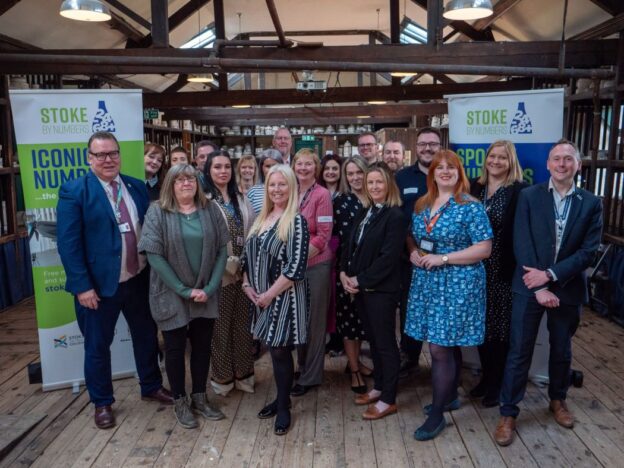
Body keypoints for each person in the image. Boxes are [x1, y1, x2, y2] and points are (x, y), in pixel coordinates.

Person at [57, 131, 172, 430]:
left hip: (138, 279)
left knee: (146, 336)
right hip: (98, 287)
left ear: (120, 155)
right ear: (89, 158)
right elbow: (69, 245)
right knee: (97, 347)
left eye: (113, 153)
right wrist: (82, 286)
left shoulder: (135, 186)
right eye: (100, 154)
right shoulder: (74, 191)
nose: (108, 159)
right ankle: (102, 402)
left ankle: (151, 385)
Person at [494, 139, 603, 447]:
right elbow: (521, 241)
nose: (562, 164)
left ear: (578, 165)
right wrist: (540, 284)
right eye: (556, 158)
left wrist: (551, 275)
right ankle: (508, 412)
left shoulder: (591, 202)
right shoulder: (529, 195)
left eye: (568, 159)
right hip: (528, 284)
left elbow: (588, 252)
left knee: (562, 350)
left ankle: (558, 400)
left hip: (567, 288)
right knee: (519, 350)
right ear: (548, 164)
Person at [405, 150, 492, 441]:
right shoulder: (422, 203)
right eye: (439, 167)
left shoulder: (470, 206)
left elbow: (484, 249)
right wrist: (414, 252)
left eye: (450, 167)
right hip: (427, 282)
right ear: (432, 174)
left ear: (459, 173)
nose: (445, 171)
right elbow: (413, 236)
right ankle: (450, 396)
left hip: (457, 283)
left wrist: (443, 258)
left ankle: (437, 415)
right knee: (446, 341)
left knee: (439, 348)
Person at [138, 163, 228, 429]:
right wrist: (183, 290)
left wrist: (210, 287)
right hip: (170, 292)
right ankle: (180, 400)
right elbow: (154, 255)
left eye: (191, 178)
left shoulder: (211, 209)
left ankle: (200, 397)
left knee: (202, 347)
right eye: (180, 180)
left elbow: (222, 251)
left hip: (205, 292)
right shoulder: (157, 211)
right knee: (175, 349)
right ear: (170, 184)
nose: (186, 183)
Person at [242, 164, 310, 436]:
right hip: (260, 296)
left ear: (291, 188)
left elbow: (295, 268)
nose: (277, 189)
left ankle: (283, 407)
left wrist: (269, 294)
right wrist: (246, 284)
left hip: (284, 296)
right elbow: (248, 256)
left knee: (280, 350)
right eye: (272, 184)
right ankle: (282, 398)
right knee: (272, 348)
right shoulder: (262, 218)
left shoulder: (296, 221)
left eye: (282, 184)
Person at [340, 162, 407, 420]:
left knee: (386, 344)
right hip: (361, 288)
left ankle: (388, 399)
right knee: (374, 342)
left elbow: (388, 259)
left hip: (381, 290)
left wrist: (358, 279)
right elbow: (351, 246)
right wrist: (344, 273)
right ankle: (379, 386)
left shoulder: (395, 216)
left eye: (379, 182)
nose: (374, 186)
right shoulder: (366, 211)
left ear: (389, 184)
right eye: (370, 182)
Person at [469, 140, 528, 407]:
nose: (495, 161)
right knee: (481, 327)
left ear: (510, 161)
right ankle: (486, 377)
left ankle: (497, 383)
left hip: (502, 271)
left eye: (502, 157)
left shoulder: (520, 191)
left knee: (500, 330)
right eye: (492, 156)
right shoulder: (475, 187)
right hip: (474, 269)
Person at [202, 151, 257, 396]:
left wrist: (247, 265)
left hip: (243, 273)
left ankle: (244, 375)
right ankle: (223, 379)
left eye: (226, 166)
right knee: (220, 329)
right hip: (218, 274)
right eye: (217, 167)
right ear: (208, 170)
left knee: (243, 327)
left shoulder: (240, 197)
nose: (223, 171)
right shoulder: (203, 200)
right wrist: (222, 264)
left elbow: (253, 229)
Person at [395, 127, 442, 378]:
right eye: (423, 144)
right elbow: (397, 218)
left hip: (445, 260)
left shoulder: (449, 174)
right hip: (409, 257)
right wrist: (411, 249)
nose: (427, 148)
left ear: (440, 146)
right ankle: (409, 357)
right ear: (416, 147)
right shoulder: (402, 177)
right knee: (409, 309)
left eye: (432, 144)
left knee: (442, 311)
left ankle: (444, 363)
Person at [291, 149, 334, 397]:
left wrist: (297, 258)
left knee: (314, 322)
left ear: (316, 168)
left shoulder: (322, 194)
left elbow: (323, 235)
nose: (303, 168)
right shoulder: (290, 190)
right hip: (293, 268)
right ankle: (302, 366)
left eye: (309, 164)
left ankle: (311, 376)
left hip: (316, 265)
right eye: (300, 163)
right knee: (298, 319)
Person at [334, 156, 373, 393]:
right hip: (348, 271)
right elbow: (340, 241)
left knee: (362, 322)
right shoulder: (341, 202)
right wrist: (343, 272)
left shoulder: (376, 198)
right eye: (350, 174)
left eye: (359, 172)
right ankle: (354, 370)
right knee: (349, 322)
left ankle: (355, 362)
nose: (355, 177)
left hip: (372, 272)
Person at [318, 153, 344, 355]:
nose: (331, 172)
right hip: (321, 249)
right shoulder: (318, 193)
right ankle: (327, 337)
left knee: (338, 296)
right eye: (327, 168)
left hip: (341, 249)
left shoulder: (345, 194)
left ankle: (339, 340)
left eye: (335, 168)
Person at [247, 148, 283, 214]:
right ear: (262, 168)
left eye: (275, 166)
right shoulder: (253, 192)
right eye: (268, 166)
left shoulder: (287, 189)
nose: (271, 169)